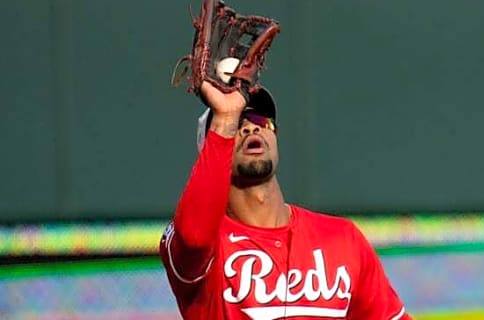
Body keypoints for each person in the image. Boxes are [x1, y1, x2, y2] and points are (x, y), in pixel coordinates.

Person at [159, 82, 411, 320]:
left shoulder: (342, 238)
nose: (251, 128)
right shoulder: (203, 247)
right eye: (238, 124)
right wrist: (225, 117)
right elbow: (193, 238)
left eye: (261, 120)